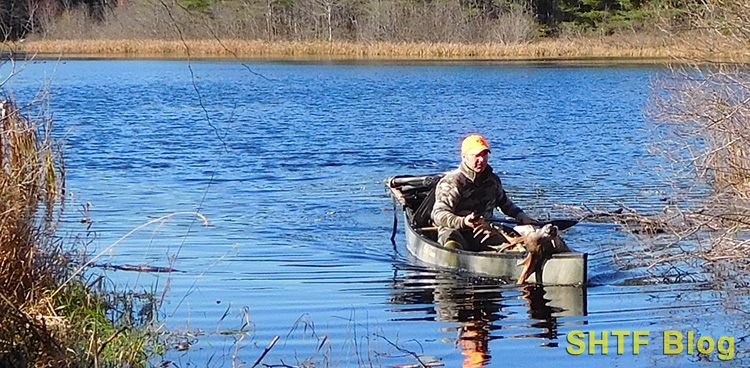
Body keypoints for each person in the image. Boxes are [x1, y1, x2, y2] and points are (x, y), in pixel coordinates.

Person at [431, 134, 536, 251]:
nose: (481, 159)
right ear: (464, 157)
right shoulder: (452, 182)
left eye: (484, 154)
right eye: (476, 155)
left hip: (484, 230)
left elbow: (504, 203)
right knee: (452, 242)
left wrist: (521, 216)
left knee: (512, 247)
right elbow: (438, 215)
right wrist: (463, 221)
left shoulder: (493, 180)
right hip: (455, 231)